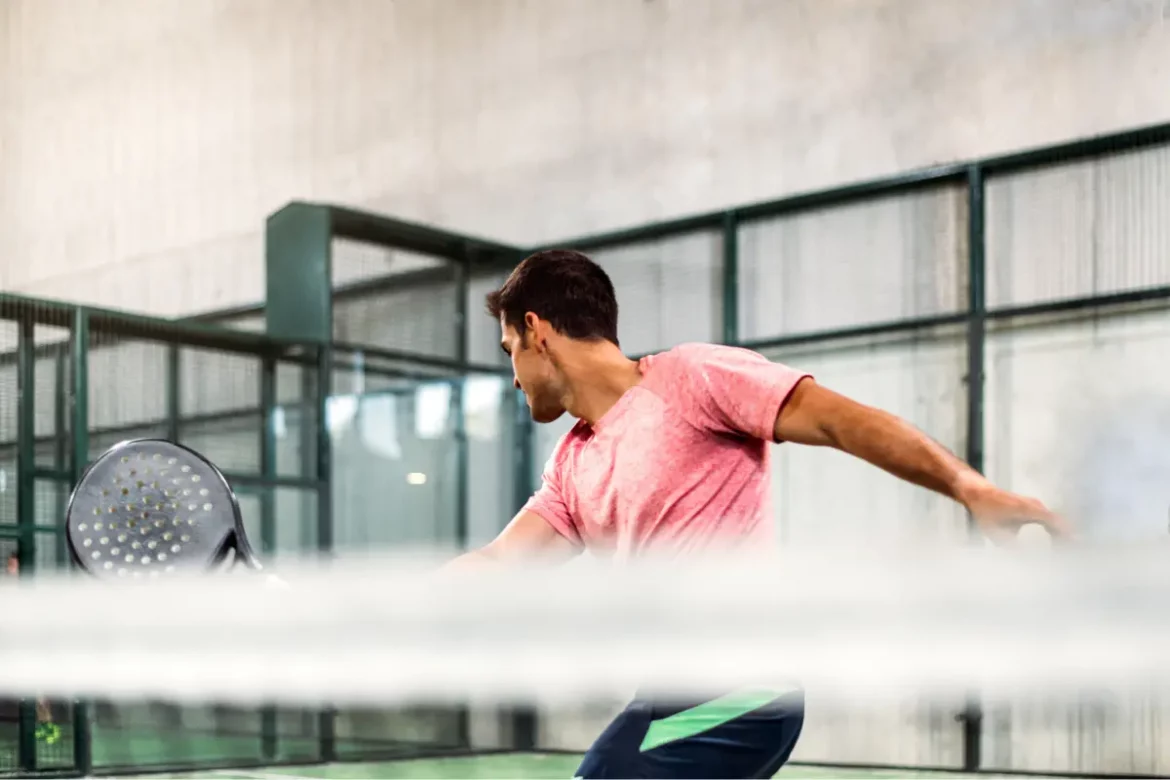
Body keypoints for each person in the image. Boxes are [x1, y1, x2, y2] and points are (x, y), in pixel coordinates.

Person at [449, 249, 1068, 779]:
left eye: (509, 349)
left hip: (746, 692)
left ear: (536, 331)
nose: (512, 375)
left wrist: (971, 488)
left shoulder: (689, 378)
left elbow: (840, 420)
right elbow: (503, 559)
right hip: (670, 700)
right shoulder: (573, 462)